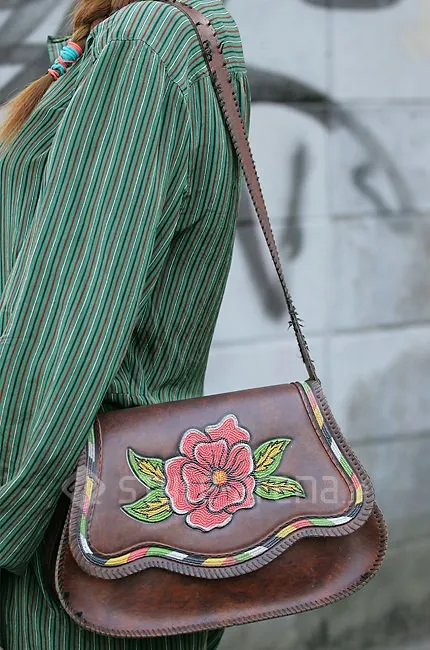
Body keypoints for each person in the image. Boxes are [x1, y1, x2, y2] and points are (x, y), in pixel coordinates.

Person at [0, 0, 251, 647]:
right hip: (109, 523)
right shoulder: (168, 37)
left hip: (70, 539)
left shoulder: (143, 47)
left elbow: (63, 335)